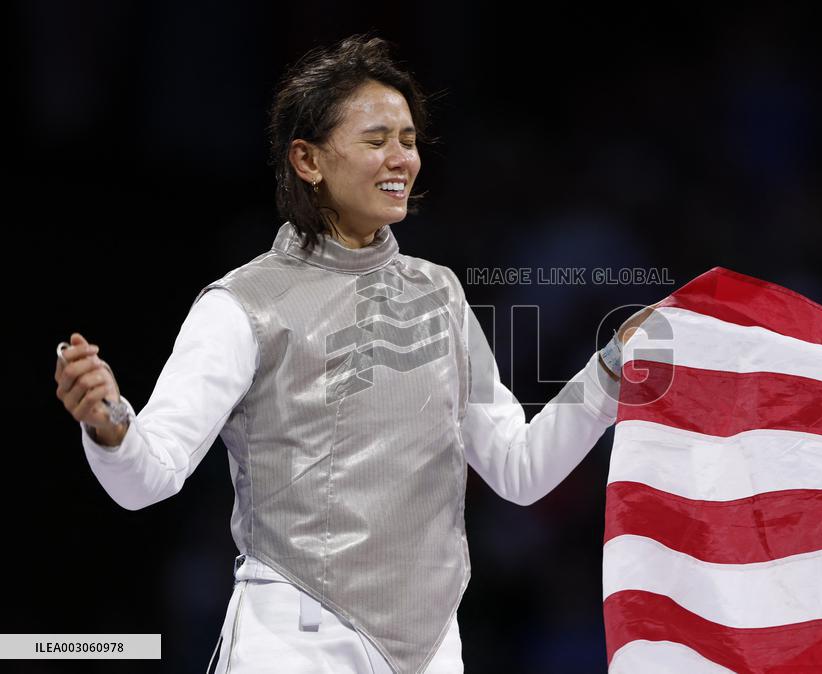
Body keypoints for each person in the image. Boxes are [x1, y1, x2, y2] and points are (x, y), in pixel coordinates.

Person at [54, 33, 637, 674]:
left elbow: (519, 469)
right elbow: (149, 477)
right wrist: (110, 425)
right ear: (308, 159)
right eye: (376, 139)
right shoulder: (244, 304)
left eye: (409, 140)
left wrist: (609, 370)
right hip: (295, 642)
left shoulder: (440, 295)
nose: (401, 158)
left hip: (433, 649)